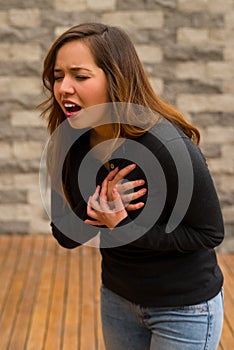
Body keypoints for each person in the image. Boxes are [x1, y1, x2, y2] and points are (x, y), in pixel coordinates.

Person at [40, 22, 224, 349]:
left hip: (184, 308)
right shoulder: (70, 143)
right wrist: (94, 211)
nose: (64, 88)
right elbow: (65, 235)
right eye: (58, 76)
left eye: (80, 76)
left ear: (116, 78)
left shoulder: (167, 145)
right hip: (118, 299)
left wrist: (124, 225)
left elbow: (209, 234)